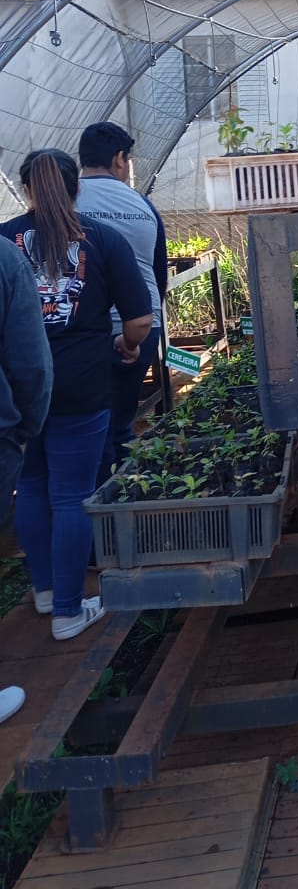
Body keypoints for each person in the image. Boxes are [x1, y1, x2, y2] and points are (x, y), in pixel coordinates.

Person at [0, 150, 152, 640]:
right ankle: (69, 612)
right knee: (72, 496)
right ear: (76, 188)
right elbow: (140, 321)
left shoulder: (3, 242)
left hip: (19, 388)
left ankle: (45, 592)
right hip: (82, 384)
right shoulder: (102, 239)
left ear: (27, 189)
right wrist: (127, 346)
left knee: (32, 486)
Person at [76, 122, 167, 486]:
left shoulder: (67, 200)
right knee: (120, 422)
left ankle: (95, 500)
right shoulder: (142, 205)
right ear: (119, 159)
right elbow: (158, 274)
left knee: (89, 425)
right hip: (140, 326)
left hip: (84, 332)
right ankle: (126, 495)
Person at [0, 233, 53, 721]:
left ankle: (48, 593)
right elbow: (29, 362)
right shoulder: (4, 258)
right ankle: (64, 602)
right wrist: (25, 428)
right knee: (71, 491)